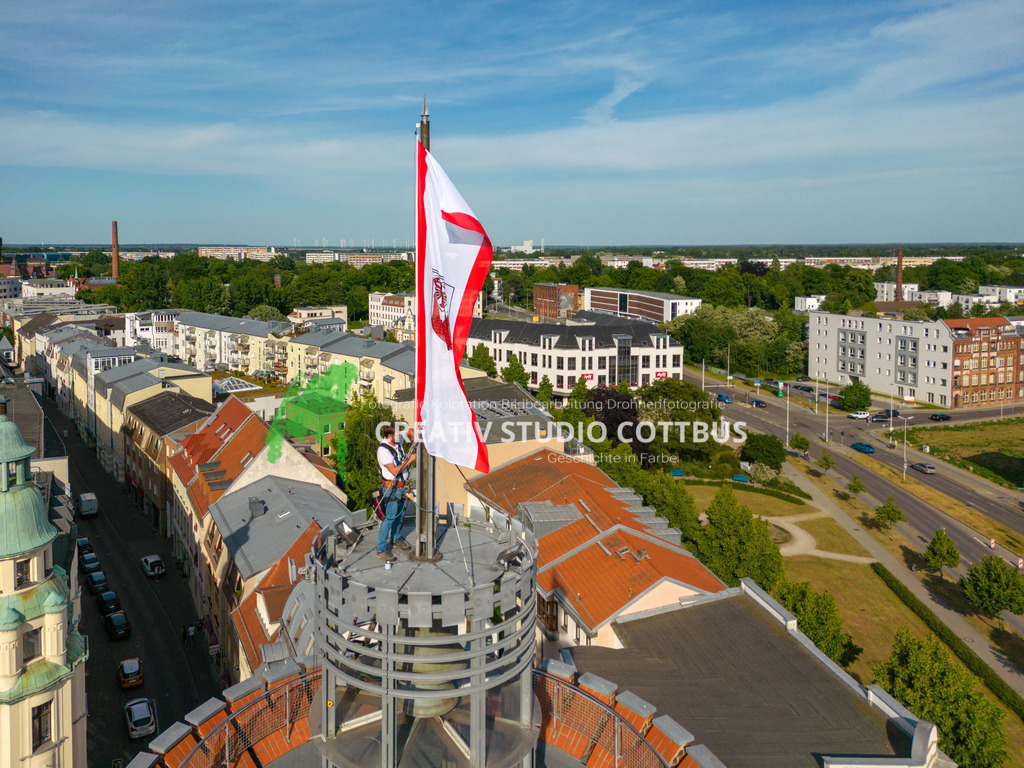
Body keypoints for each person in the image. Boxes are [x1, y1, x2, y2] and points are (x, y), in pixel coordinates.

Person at [376, 423, 415, 562]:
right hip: (391, 489)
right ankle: (381, 550)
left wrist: (414, 436)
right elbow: (394, 471)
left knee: (400, 515)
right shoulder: (383, 451)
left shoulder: (397, 440)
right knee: (389, 519)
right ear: (389, 436)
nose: (400, 437)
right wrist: (410, 459)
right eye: (397, 435)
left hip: (402, 487)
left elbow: (409, 430)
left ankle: (396, 539)